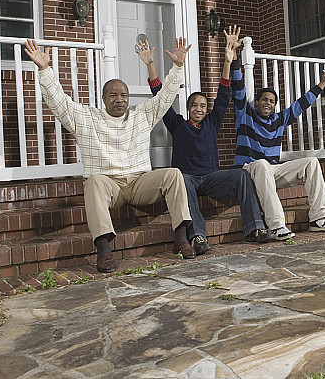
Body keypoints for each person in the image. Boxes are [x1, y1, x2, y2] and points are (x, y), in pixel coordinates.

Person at [24, 37, 197, 274]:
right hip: (109, 186)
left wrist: (178, 68)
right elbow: (60, 103)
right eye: (113, 95)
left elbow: (165, 97)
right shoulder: (87, 119)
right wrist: (45, 69)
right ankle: (104, 249)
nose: (120, 99)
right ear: (104, 99)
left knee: (174, 174)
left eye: (124, 95)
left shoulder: (141, 115)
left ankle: (181, 238)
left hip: (138, 182)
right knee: (93, 181)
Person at [136, 27, 273, 255]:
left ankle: (254, 229)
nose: (199, 109)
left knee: (241, 175)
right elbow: (160, 97)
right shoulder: (177, 123)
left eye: (202, 106)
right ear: (188, 108)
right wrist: (150, 64)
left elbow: (223, 96)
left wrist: (228, 60)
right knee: (182, 180)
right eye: (194, 105)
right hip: (188, 179)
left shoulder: (212, 122)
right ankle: (198, 237)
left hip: (210, 178)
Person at [230, 36, 325, 240]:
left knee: (311, 163)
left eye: (272, 101)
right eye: (265, 99)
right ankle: (276, 225)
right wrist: (235, 57)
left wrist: (323, 83)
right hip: (249, 169)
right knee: (262, 164)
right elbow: (237, 88)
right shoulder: (245, 115)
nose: (268, 103)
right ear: (257, 103)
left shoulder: (279, 120)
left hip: (271, 171)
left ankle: (320, 217)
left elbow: (301, 104)